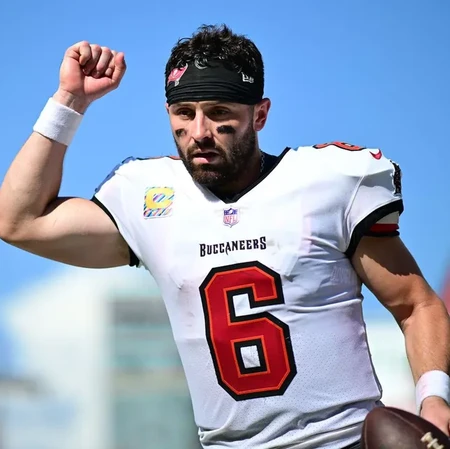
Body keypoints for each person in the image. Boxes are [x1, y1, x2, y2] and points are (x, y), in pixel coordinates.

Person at [0, 24, 449, 449]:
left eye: (219, 113)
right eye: (184, 113)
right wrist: (69, 101)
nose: (199, 133)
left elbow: (415, 304)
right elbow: (17, 222)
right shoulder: (147, 198)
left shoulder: (329, 182)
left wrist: (434, 401)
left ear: (260, 114)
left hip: (341, 439)